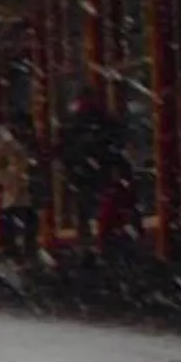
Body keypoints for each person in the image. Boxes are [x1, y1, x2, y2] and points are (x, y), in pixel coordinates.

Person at [57, 85, 118, 262]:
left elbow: (64, 147)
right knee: (102, 207)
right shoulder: (103, 118)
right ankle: (103, 243)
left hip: (80, 173)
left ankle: (85, 245)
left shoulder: (72, 121)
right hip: (99, 171)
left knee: (83, 210)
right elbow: (115, 140)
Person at [0, 121, 40, 263]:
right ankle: (14, 253)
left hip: (28, 191)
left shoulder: (29, 141)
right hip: (14, 193)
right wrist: (9, 178)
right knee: (13, 221)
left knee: (30, 222)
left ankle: (28, 252)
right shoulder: (5, 144)